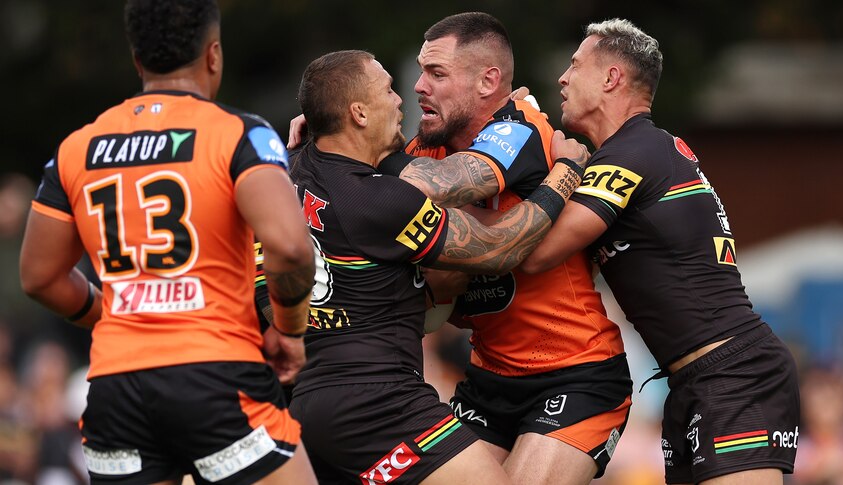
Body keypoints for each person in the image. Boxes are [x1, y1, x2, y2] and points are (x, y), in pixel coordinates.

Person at [287, 13, 632, 484]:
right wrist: (331, 134)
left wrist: (336, 144)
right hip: (488, 380)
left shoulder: (521, 125)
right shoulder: (422, 150)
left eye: (438, 74)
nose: (418, 88)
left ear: (489, 80)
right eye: (420, 73)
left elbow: (447, 205)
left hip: (573, 373)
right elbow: (398, 213)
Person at [18, 1, 319, 483]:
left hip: (116, 391)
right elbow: (289, 247)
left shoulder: (77, 147)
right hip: (215, 375)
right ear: (214, 54)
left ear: (137, 59)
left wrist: (113, 312)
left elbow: (39, 276)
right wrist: (289, 329)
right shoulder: (239, 134)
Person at [521, 18, 800, 484]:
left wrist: (561, 167)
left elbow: (536, 253)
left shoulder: (631, 153)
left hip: (734, 372)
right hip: (692, 379)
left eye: (574, 65)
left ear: (611, 78)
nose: (562, 79)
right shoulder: (644, 149)